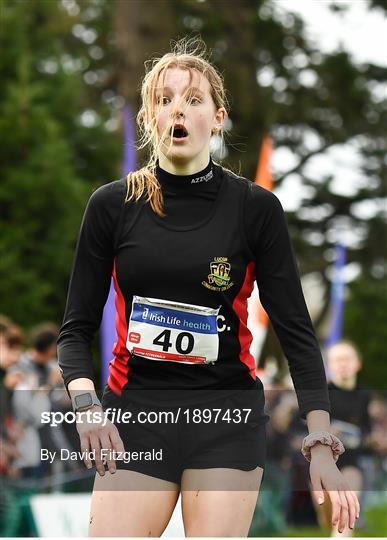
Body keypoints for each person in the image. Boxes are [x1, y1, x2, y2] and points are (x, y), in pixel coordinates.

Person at [57, 37, 360, 537]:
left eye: (193, 99)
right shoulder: (111, 205)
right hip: (137, 415)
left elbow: (296, 332)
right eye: (165, 98)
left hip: (226, 419)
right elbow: (75, 330)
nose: (178, 108)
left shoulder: (255, 208)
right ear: (152, 117)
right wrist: (88, 408)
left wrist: (321, 441)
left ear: (217, 117)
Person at [314, 340, 371, 537]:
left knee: (345, 511)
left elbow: (367, 430)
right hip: (322, 464)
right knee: (329, 518)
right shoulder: (321, 394)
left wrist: (370, 438)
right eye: (337, 360)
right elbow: (299, 428)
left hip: (351, 463)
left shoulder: (365, 396)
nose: (343, 364)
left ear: (358, 363)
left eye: (347, 359)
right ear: (330, 365)